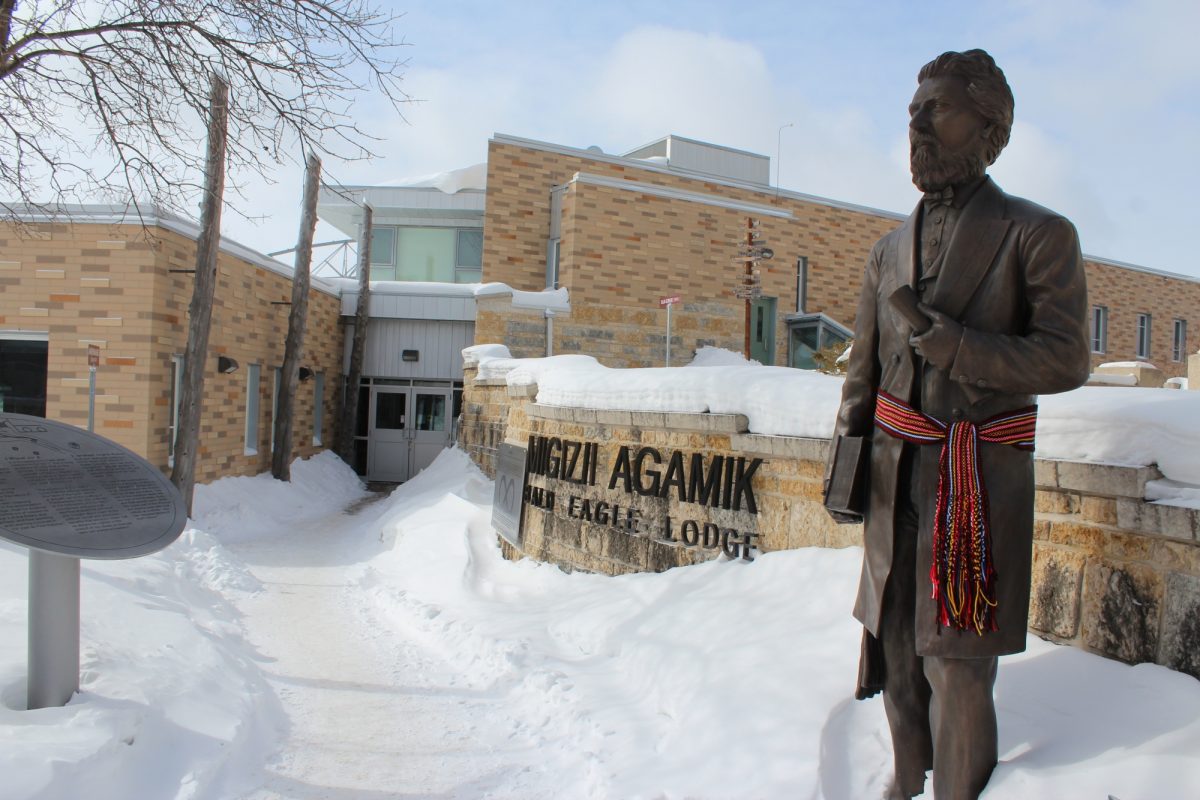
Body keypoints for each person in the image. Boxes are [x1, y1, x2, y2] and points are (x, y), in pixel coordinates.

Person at [825, 50, 1091, 799]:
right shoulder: (886, 251)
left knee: (957, 660)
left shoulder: (1037, 234)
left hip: (975, 478)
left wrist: (960, 349)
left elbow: (1068, 358)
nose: (916, 124)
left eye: (936, 109)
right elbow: (863, 374)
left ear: (990, 128)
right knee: (898, 654)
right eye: (913, 112)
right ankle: (905, 779)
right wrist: (845, 469)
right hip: (892, 474)